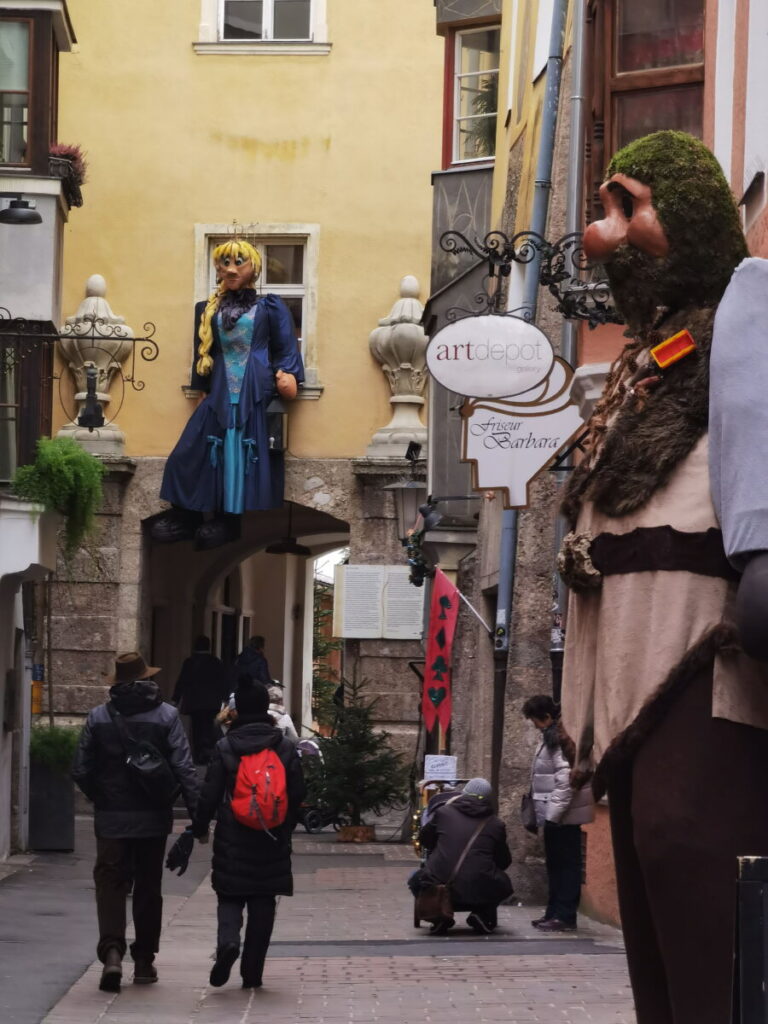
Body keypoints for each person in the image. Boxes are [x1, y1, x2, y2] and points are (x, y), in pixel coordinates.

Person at [152, 239, 305, 550]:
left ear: (253, 269)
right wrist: (201, 389)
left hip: (255, 389)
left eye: (239, 262)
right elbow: (201, 354)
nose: (231, 269)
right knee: (190, 452)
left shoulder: (270, 306)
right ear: (217, 268)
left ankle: (228, 519)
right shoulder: (207, 309)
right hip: (219, 388)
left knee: (238, 455)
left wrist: (289, 373)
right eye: (225, 263)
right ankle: (189, 515)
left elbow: (285, 345)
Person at [72, 652, 200, 992]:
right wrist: (197, 816)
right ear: (147, 678)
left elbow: (81, 768)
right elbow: (185, 768)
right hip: (152, 818)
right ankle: (144, 960)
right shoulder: (167, 715)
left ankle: (112, 952)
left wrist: (102, 798)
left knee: (110, 884)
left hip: (111, 819)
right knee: (148, 886)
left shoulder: (98, 716)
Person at [191, 681, 305, 989]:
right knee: (263, 900)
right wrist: (286, 825)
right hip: (272, 834)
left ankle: (228, 942)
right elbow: (297, 793)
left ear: (238, 709)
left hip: (234, 832)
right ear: (265, 708)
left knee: (230, 894)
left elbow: (210, 793)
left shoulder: (226, 746)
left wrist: (200, 827)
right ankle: (252, 972)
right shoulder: (283, 746)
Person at [522, 694, 593, 932]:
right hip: (556, 815)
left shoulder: (559, 739)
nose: (534, 725)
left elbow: (566, 781)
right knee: (556, 865)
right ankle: (554, 913)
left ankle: (564, 916)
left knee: (566, 867)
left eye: (535, 720)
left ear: (547, 717)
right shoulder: (550, 736)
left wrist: (553, 816)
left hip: (563, 817)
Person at [409, 777, 513, 935]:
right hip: (478, 887)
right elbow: (504, 861)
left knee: (415, 879)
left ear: (463, 794)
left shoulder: (443, 813)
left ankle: (438, 916)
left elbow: (425, 839)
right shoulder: (496, 824)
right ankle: (481, 913)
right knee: (504, 883)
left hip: (439, 883)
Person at [172, 635, 229, 764]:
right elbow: (223, 682)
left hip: (195, 702)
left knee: (197, 729)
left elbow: (182, 681)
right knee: (209, 728)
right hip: (212, 703)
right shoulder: (215, 662)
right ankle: (208, 753)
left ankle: (198, 755)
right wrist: (225, 699)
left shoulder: (190, 662)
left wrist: (175, 699)